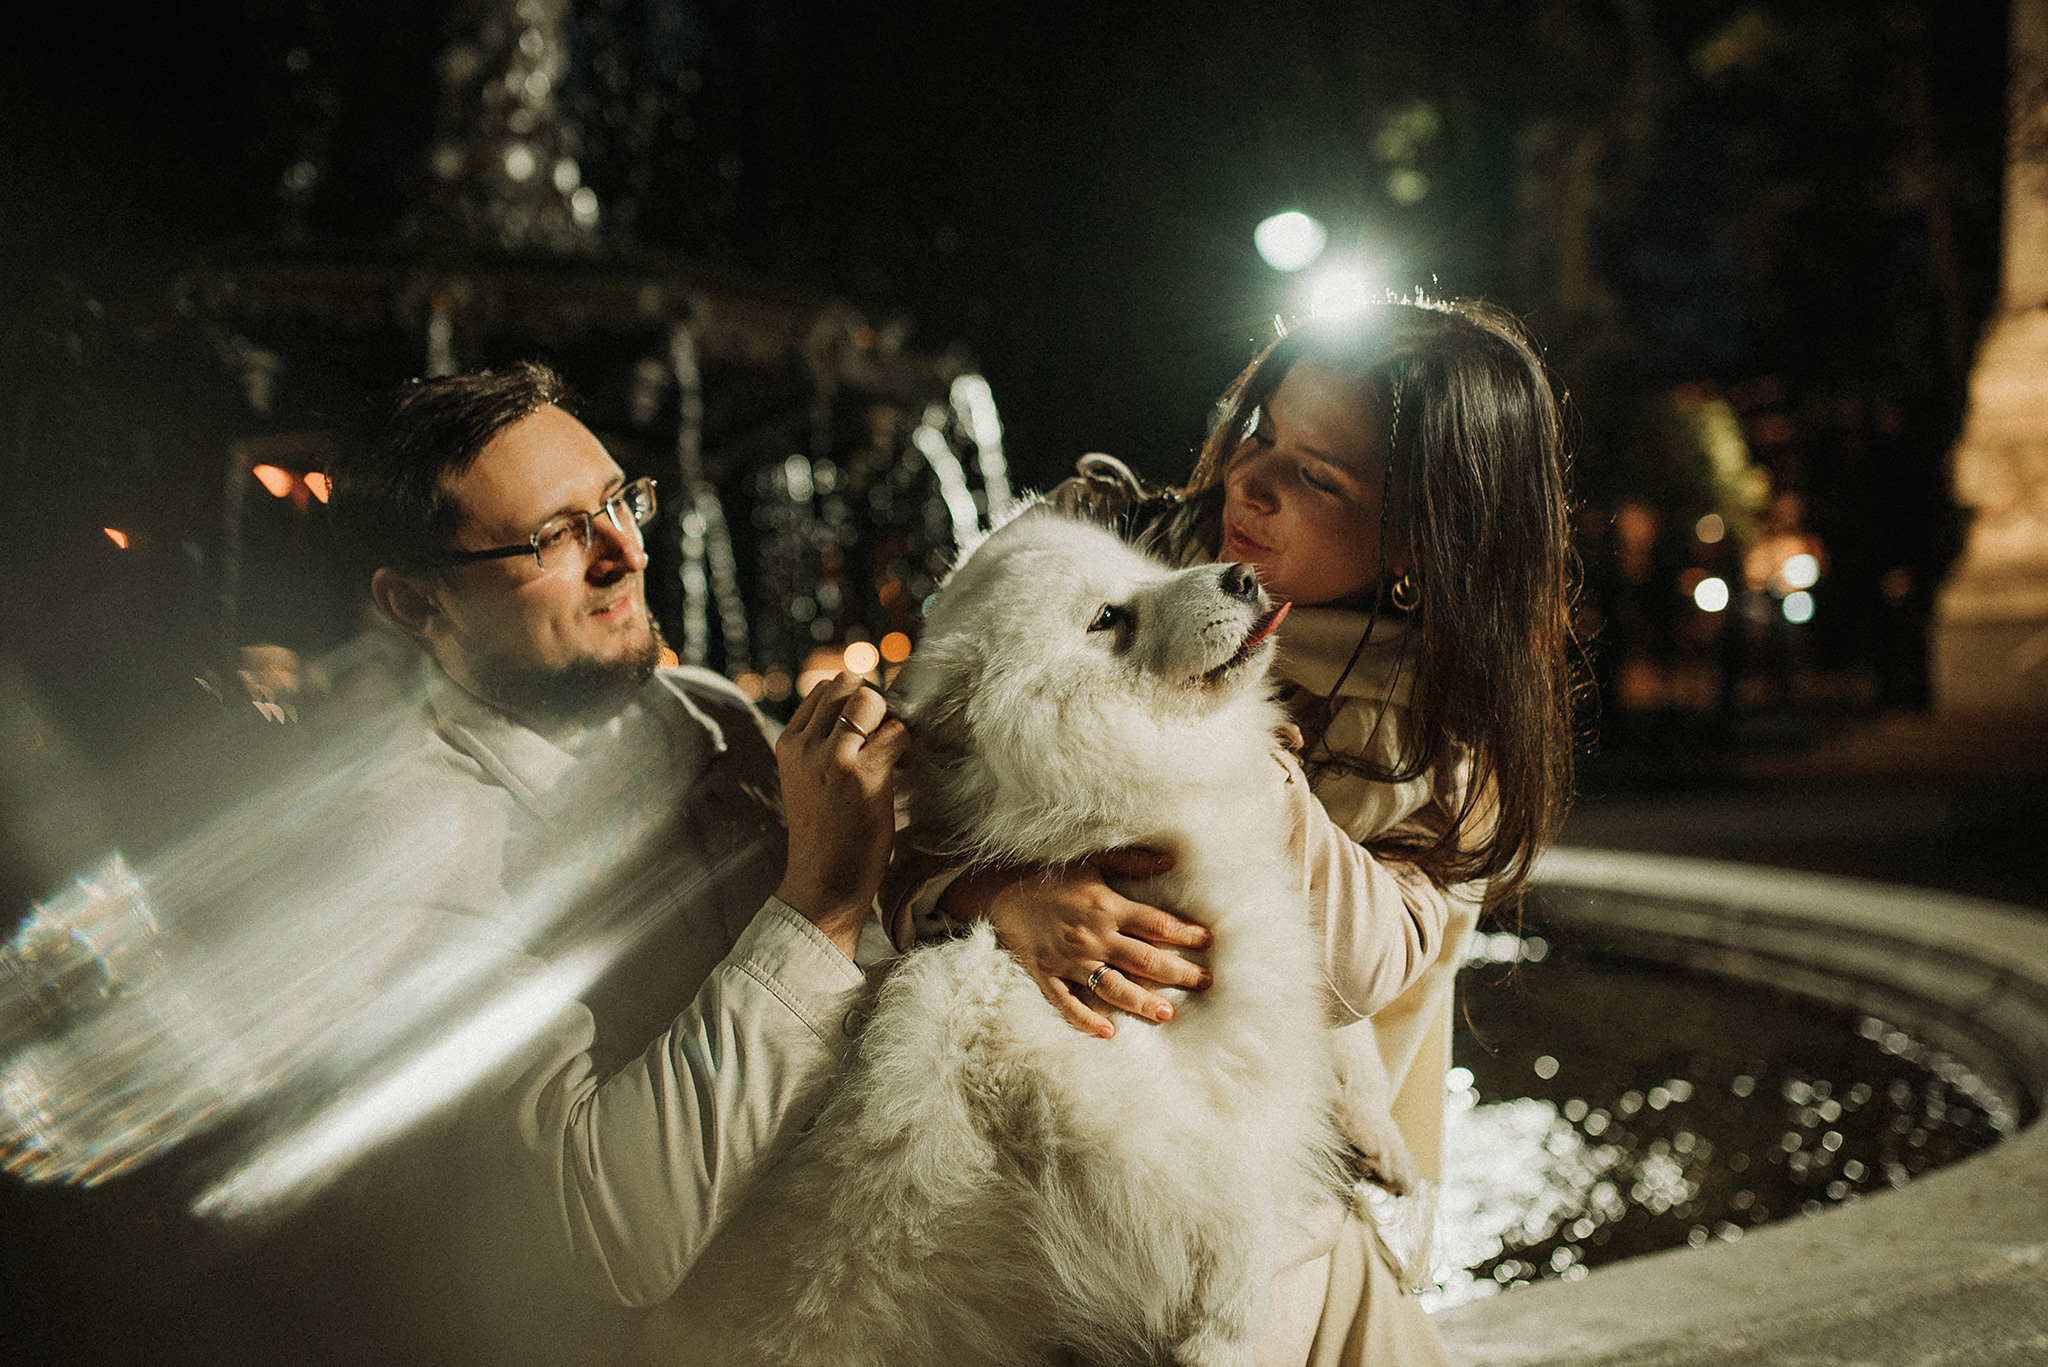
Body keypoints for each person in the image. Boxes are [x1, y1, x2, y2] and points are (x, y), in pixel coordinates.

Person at [920, 298, 1577, 1365]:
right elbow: (904, 770)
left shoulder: (1449, 733)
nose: (1250, 482)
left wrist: (1229, 729)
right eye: (1259, 432)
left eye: (1317, 476)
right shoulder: (1107, 558)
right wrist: (985, 895)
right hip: (1017, 1131)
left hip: (1278, 1175)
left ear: (1419, 534)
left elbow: (1363, 964)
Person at [311, 361, 909, 1364]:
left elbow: (866, 992)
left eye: (618, 502)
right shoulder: (401, 848)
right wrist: (824, 898)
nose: (625, 551)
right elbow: (611, 1231)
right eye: (554, 535)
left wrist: (985, 904)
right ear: (416, 603)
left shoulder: (709, 711)